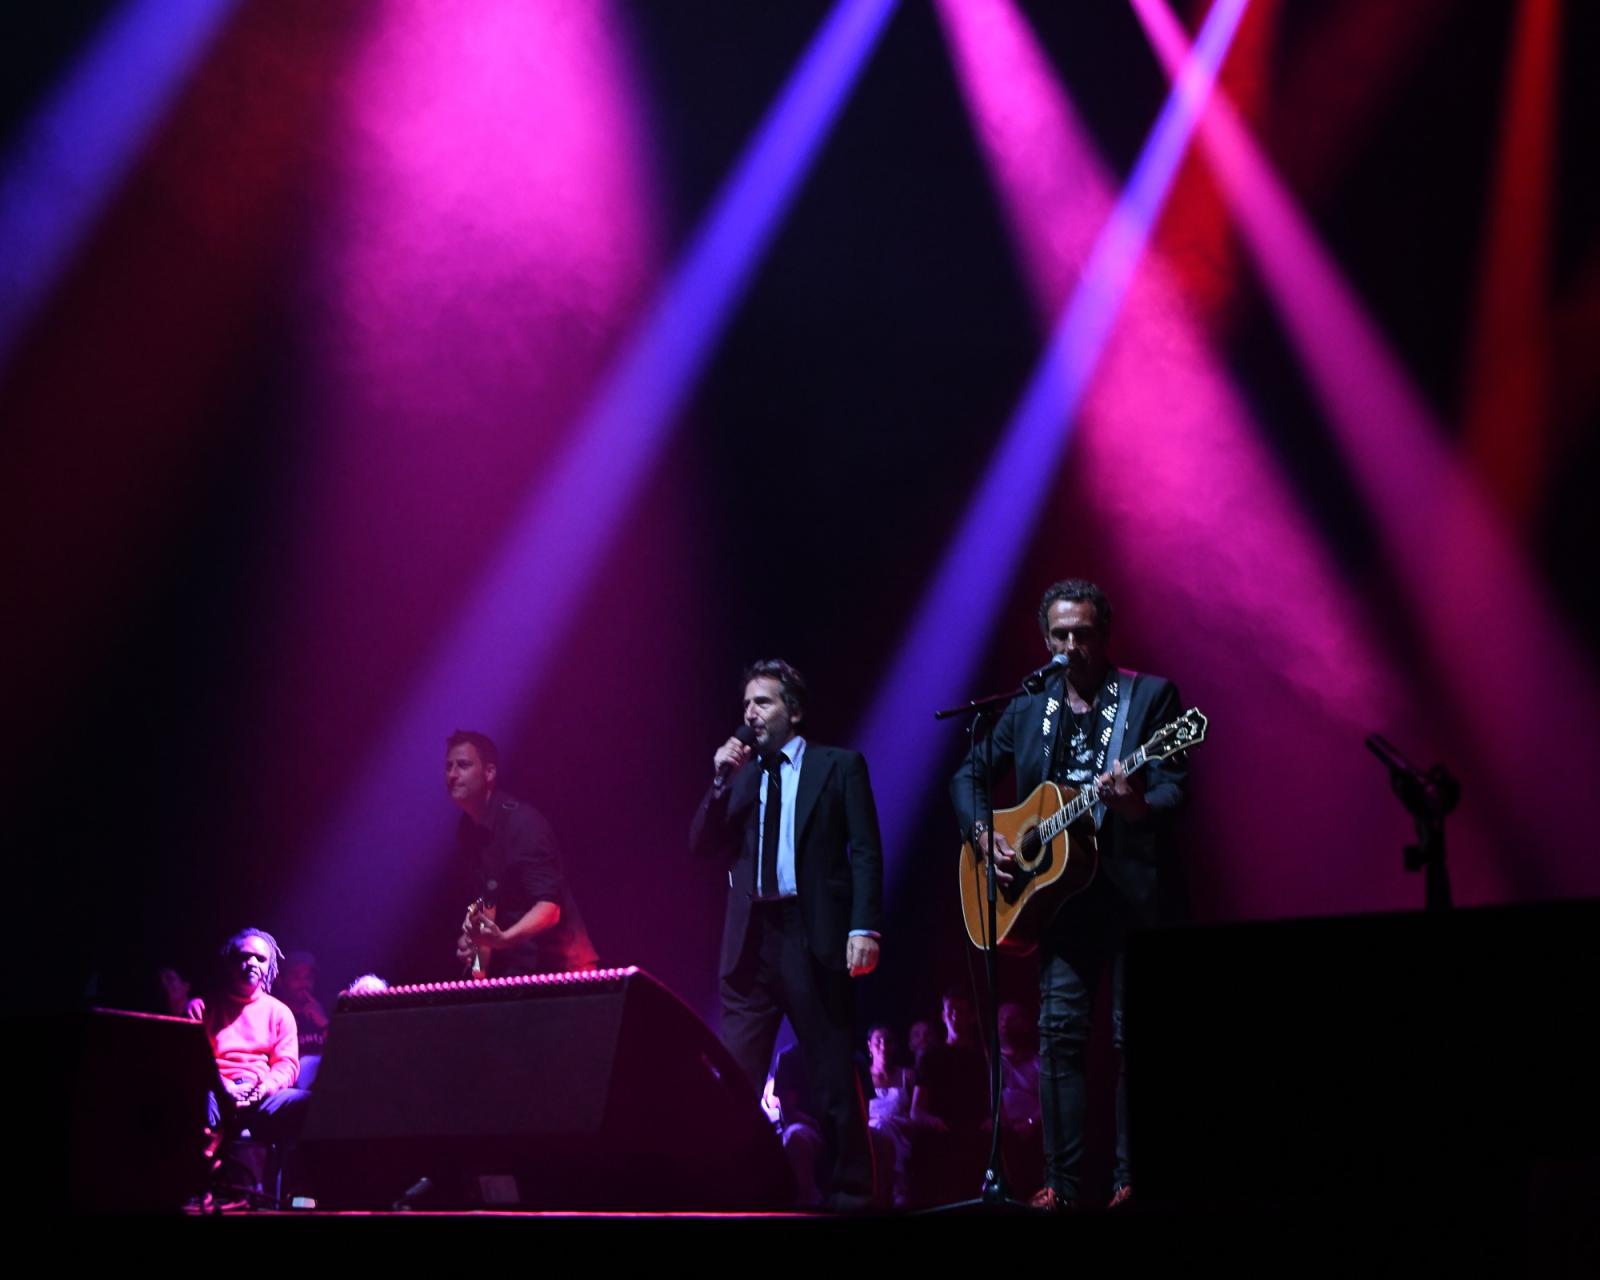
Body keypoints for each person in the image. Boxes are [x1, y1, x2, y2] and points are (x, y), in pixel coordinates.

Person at [951, 578, 1189, 1210]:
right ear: (1045, 639)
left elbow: (1174, 790)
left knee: (1130, 1038)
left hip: (1132, 896)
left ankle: (1132, 1180)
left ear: (1102, 635)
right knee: (1058, 1037)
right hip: (1058, 900)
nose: (1072, 645)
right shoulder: (1029, 706)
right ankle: (1061, 1184)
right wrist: (984, 835)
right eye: (1061, 634)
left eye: (1084, 633)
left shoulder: (1149, 698)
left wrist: (1133, 804)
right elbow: (970, 773)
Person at [689, 659, 884, 1210]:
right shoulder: (743, 776)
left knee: (831, 1076)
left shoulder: (838, 766)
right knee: (733, 1080)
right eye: (746, 703)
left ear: (793, 711)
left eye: (763, 702)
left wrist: (864, 926)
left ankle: (851, 1194)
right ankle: (731, 1195)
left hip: (811, 933)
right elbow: (700, 845)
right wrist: (719, 778)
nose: (750, 713)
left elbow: (866, 852)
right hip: (752, 941)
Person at [446, 730, 598, 976]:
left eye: (462, 765)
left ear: (489, 773)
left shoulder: (522, 824)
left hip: (563, 972)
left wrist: (503, 939)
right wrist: (474, 949)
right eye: (448, 767)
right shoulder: (467, 830)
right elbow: (487, 902)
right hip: (518, 972)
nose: (452, 775)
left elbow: (550, 908)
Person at [188, 928, 312, 1178]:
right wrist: (224, 1088)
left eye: (261, 959)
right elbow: (192, 1060)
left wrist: (264, 1088)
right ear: (230, 962)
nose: (252, 963)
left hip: (261, 1098)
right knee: (197, 1096)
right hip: (215, 1093)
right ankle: (205, 1178)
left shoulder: (279, 1013)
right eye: (245, 956)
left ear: (269, 968)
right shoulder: (201, 1007)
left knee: (310, 1103)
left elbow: (286, 1065)